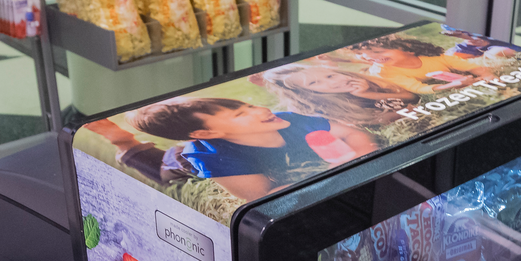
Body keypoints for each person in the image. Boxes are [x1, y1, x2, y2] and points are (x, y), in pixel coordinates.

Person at [129, 95, 377, 201]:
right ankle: (123, 143)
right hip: (178, 164)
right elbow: (263, 195)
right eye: (241, 114)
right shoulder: (212, 158)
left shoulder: (289, 121)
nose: (261, 110)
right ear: (208, 133)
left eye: (249, 105)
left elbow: (351, 132)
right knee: (159, 170)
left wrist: (362, 154)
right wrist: (330, 176)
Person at [259, 62, 427, 142]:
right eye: (314, 83)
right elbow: (374, 124)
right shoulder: (321, 108)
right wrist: (403, 113)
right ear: (307, 93)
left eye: (330, 75)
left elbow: (411, 97)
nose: (332, 82)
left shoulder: (359, 80)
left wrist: (368, 93)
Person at [342, 36, 505, 95]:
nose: (376, 59)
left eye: (379, 53)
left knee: (493, 60)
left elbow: (469, 67)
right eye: (370, 57)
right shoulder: (383, 71)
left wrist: (487, 74)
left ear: (405, 49)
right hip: (408, 89)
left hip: (448, 73)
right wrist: (455, 84)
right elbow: (417, 88)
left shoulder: (433, 57)